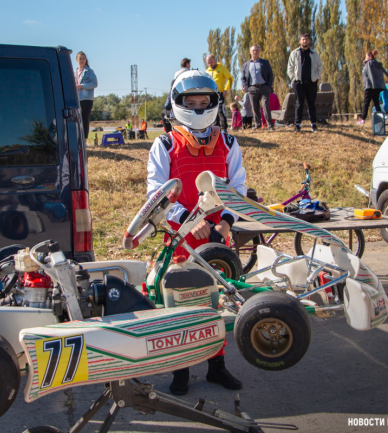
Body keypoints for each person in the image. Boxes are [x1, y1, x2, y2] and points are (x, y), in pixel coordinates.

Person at [147, 70, 245, 396]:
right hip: (180, 237)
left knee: (216, 301)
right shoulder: (165, 144)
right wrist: (189, 221)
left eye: (205, 102)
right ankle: (181, 371)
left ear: (214, 103)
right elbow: (156, 193)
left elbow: (237, 188)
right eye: (192, 103)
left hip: (217, 235)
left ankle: (217, 366)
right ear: (179, 103)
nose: (199, 108)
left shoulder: (228, 142)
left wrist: (225, 224)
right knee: (180, 303)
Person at [287, 33, 323, 133]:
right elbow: (290, 68)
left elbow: (320, 67)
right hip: (299, 83)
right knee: (299, 104)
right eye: (303, 39)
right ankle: (298, 125)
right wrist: (294, 79)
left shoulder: (314, 54)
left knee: (311, 104)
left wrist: (316, 77)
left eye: (306, 39)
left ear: (309, 41)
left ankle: (313, 124)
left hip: (311, 83)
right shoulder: (295, 53)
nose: (305, 41)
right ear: (300, 41)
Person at [241, 45, 275, 131]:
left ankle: (270, 125)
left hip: (264, 87)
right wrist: (247, 88)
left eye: (256, 50)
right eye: (253, 50)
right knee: (255, 107)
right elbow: (243, 78)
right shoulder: (246, 65)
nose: (255, 52)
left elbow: (270, 75)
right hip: (252, 89)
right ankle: (257, 124)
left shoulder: (265, 63)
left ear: (259, 52)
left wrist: (268, 86)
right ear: (250, 52)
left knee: (265, 105)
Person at [359, 50, 388, 124]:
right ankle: (381, 118)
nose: (365, 58)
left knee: (366, 103)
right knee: (376, 104)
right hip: (377, 87)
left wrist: (365, 62)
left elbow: (368, 74)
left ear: (369, 56)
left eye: (366, 57)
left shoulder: (369, 64)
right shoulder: (377, 64)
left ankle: (363, 119)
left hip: (370, 86)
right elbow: (385, 72)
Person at [206, 55, 234, 133]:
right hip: (211, 94)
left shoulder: (222, 68)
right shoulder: (207, 71)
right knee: (212, 111)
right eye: (208, 63)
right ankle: (216, 128)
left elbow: (230, 78)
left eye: (211, 62)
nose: (210, 64)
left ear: (215, 60)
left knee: (221, 110)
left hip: (220, 93)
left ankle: (224, 128)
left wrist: (226, 89)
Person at [75, 51, 98, 140]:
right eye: (80, 59)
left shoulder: (89, 71)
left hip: (86, 99)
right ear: (77, 60)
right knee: (77, 119)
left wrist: (82, 86)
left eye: (83, 59)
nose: (82, 60)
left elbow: (94, 83)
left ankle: (84, 140)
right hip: (77, 98)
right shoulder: (75, 72)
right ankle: (78, 139)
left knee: (84, 119)